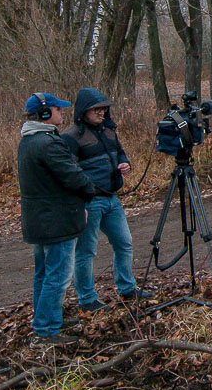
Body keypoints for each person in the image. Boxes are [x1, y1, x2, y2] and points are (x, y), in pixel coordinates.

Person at [17, 92, 98, 345]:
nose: (62, 113)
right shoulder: (48, 143)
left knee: (44, 274)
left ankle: (50, 320)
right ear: (44, 114)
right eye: (57, 109)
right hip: (56, 220)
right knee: (58, 275)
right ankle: (46, 330)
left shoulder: (28, 141)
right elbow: (72, 175)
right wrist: (90, 190)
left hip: (42, 219)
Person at [61, 88, 150, 311]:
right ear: (84, 111)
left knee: (124, 243)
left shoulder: (109, 131)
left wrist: (125, 163)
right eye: (96, 109)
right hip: (89, 202)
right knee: (86, 252)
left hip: (111, 199)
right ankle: (87, 299)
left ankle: (127, 287)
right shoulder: (71, 137)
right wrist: (80, 201)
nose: (101, 112)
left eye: (103, 108)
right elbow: (68, 172)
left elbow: (120, 152)